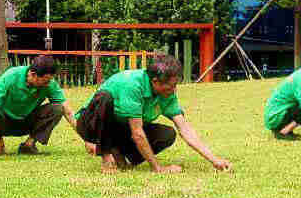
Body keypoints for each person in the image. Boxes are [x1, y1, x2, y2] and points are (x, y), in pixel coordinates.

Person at [76, 54, 232, 174]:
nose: (174, 90)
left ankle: (119, 153)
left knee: (167, 134)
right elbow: (137, 133)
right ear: (155, 81)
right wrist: (158, 168)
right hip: (91, 125)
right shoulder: (132, 84)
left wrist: (214, 160)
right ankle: (106, 155)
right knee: (106, 98)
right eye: (171, 86)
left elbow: (185, 129)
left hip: (119, 128)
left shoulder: (166, 95)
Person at [0, 54, 86, 156]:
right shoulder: (12, 75)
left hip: (27, 121)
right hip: (5, 121)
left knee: (57, 108)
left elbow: (68, 111)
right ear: (33, 75)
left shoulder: (49, 84)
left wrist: (87, 139)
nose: (48, 84)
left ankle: (29, 145)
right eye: (45, 81)